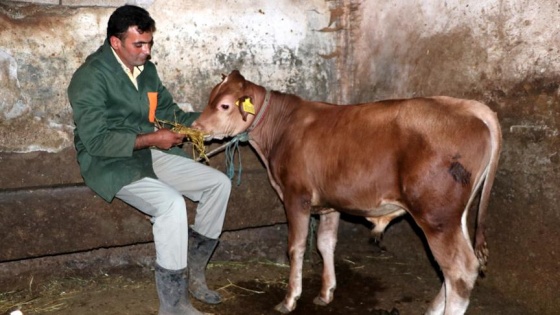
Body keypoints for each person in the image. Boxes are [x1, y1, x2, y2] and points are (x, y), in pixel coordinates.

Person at [67, 5, 231, 315]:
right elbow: (96, 141)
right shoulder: (89, 78)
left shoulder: (147, 72)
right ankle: (173, 305)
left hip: (149, 153)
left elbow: (171, 114)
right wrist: (155, 138)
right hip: (109, 161)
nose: (147, 51)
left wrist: (216, 124)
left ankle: (194, 273)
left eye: (150, 43)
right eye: (138, 45)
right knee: (170, 204)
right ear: (116, 43)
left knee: (217, 184)